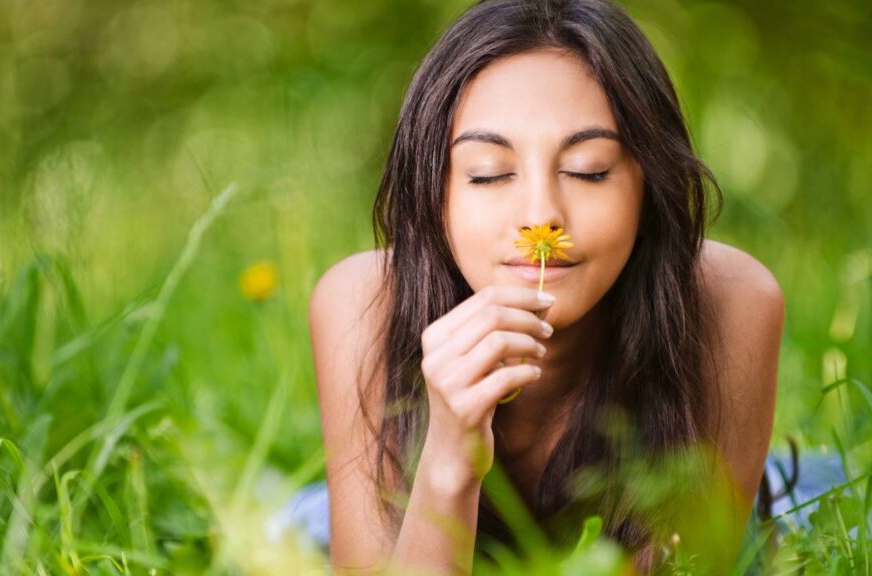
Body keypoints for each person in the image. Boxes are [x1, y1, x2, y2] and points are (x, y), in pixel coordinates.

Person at [308, 1, 785, 574]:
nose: (541, 215)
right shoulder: (362, 303)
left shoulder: (732, 300)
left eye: (589, 169)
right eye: (488, 172)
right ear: (434, 194)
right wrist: (447, 464)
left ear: (648, 187)